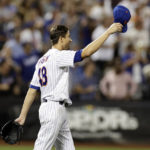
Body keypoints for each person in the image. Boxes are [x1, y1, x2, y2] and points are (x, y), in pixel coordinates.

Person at [15, 23, 122, 150]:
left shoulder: (42, 60)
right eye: (68, 36)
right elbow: (87, 52)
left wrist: (23, 115)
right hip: (53, 109)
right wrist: (108, 32)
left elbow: (32, 91)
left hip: (55, 109)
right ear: (61, 39)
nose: (70, 39)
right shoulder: (58, 56)